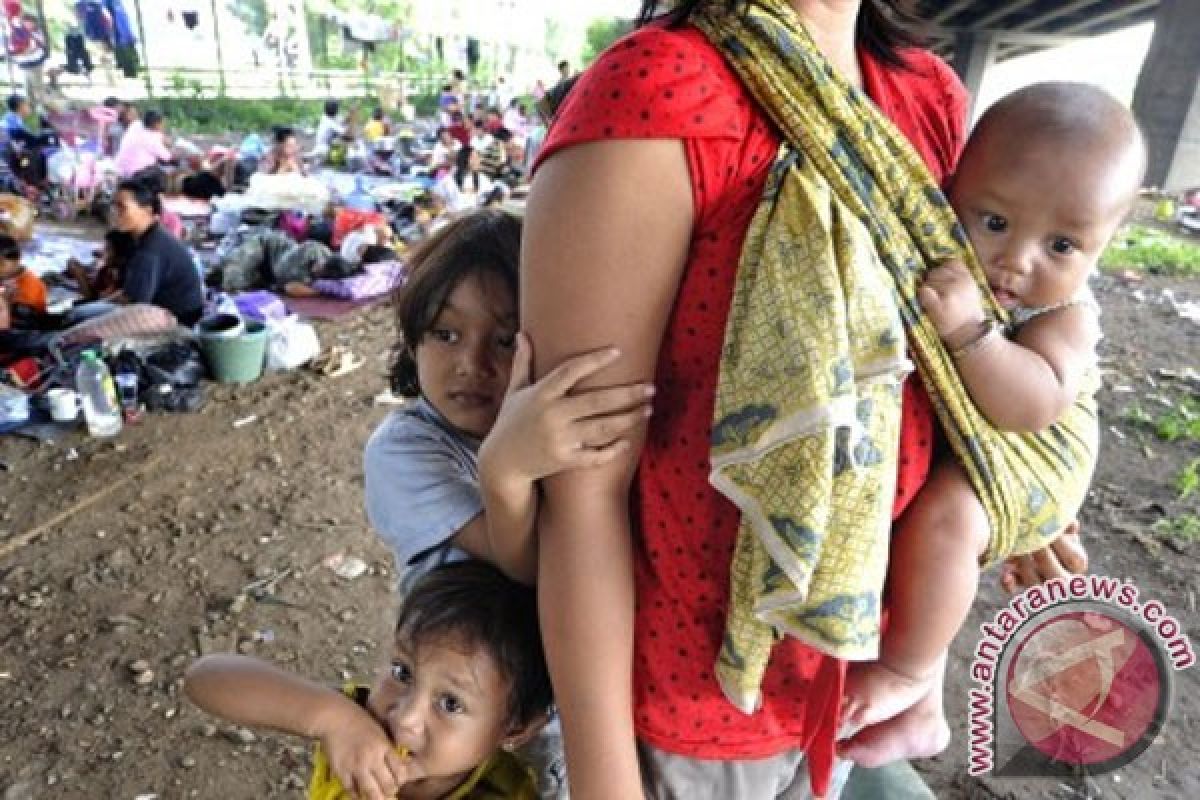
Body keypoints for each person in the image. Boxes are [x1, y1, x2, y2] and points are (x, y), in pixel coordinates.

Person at [518, 2, 1093, 798]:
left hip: (846, 684)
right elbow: (578, 488)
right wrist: (604, 781)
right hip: (693, 711)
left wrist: (1012, 486)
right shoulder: (661, 93)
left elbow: (954, 343)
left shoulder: (925, 94)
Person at [842, 81, 1146, 737]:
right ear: (951, 189)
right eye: (995, 223)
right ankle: (921, 706)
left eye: (1062, 246)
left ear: (1105, 242)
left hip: (1040, 454)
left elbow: (1029, 403)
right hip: (991, 434)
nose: (1016, 261)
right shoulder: (980, 270)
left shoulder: (1065, 314)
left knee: (946, 522)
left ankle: (911, 675)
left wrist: (971, 333)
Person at [365, 208, 650, 798]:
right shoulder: (404, 450)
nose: (473, 363)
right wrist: (507, 466)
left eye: (503, 340)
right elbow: (521, 560)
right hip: (458, 708)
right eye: (446, 334)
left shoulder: (545, 430)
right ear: (412, 338)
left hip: (544, 699)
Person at [186, 560, 552, 800]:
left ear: (514, 731)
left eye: (450, 703)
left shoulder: (507, 794)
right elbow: (206, 678)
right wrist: (331, 719)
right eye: (402, 673)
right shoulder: (354, 722)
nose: (405, 717)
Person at [112, 179, 204, 326]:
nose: (115, 213)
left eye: (122, 208)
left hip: (178, 321)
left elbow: (135, 306)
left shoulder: (150, 251)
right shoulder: (146, 236)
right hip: (167, 311)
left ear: (147, 210)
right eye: (114, 206)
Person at [114, 109, 174, 181]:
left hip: (120, 169)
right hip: (137, 174)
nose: (163, 126)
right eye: (162, 123)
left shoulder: (135, 125)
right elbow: (168, 158)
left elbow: (159, 136)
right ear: (156, 124)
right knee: (166, 175)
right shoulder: (152, 140)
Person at [435, 147, 499, 213]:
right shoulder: (449, 180)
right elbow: (436, 195)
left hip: (475, 217)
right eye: (475, 158)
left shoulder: (481, 178)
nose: (479, 160)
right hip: (456, 218)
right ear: (465, 159)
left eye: (478, 157)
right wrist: (445, 212)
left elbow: (493, 194)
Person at [0, 234, 46, 319]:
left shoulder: (31, 285)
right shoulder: (5, 276)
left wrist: (7, 300)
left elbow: (22, 317)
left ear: (17, 260)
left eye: (1, 263)